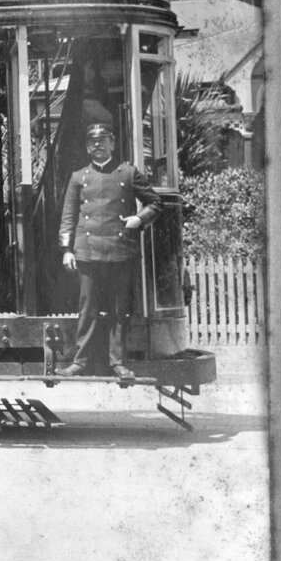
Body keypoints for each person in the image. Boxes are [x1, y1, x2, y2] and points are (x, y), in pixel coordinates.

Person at [57, 121, 159, 378]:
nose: (97, 146)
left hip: (119, 251)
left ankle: (118, 363)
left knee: (118, 310)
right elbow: (68, 216)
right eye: (92, 142)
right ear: (87, 148)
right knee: (87, 309)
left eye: (102, 141)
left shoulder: (128, 173)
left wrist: (139, 218)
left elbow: (155, 203)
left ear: (112, 143)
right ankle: (80, 362)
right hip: (87, 251)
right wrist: (67, 249)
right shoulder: (78, 177)